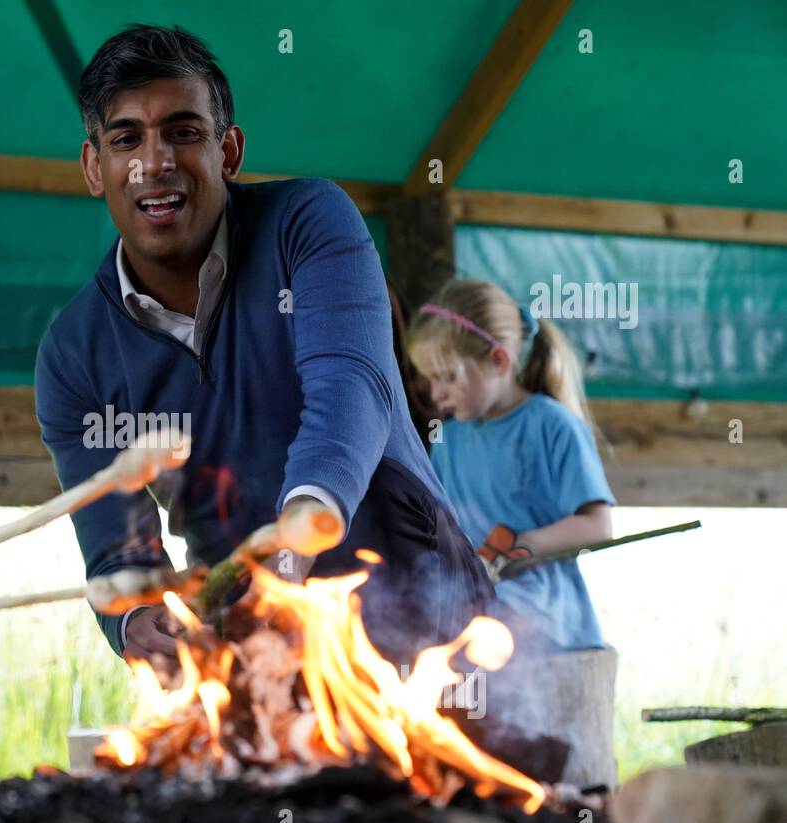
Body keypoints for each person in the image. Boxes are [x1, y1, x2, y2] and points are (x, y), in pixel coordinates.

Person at [34, 25, 493, 667]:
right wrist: (136, 616)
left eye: (184, 132)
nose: (155, 161)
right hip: (249, 646)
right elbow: (117, 546)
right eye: (126, 139)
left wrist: (290, 549)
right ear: (93, 166)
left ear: (229, 151)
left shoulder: (308, 222)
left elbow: (349, 392)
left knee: (464, 768)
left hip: (426, 607)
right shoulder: (71, 353)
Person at [406, 277, 616, 651]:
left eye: (447, 377)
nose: (436, 393)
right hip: (472, 606)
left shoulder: (552, 425)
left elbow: (599, 526)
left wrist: (522, 545)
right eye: (430, 380)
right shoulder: (448, 440)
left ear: (498, 360)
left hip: (543, 616)